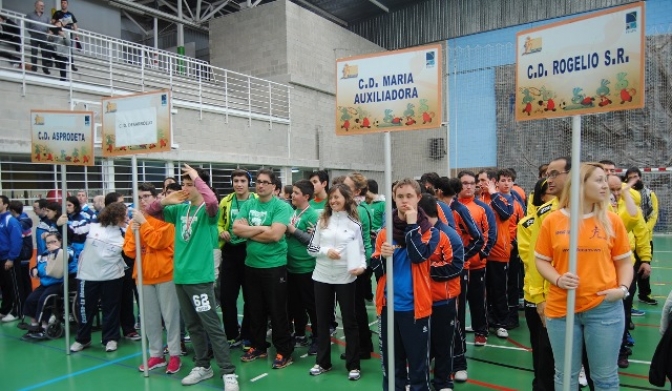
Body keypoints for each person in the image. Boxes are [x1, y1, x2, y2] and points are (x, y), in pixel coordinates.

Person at [535, 163, 633, 390]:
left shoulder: (611, 220)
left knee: (605, 379)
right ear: (580, 183)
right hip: (562, 310)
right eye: (598, 180)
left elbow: (625, 262)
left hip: (604, 308)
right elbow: (541, 260)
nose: (605, 185)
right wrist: (558, 279)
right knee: (564, 377)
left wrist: (623, 290)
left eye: (605, 180)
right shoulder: (553, 220)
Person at [146, 164, 239, 390]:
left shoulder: (208, 212)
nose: (186, 188)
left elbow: (213, 202)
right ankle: (202, 366)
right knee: (192, 326)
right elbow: (151, 210)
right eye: (185, 184)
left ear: (201, 186)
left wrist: (198, 177)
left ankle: (228, 371)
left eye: (191, 184)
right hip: (181, 277)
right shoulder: (179, 210)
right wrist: (167, 200)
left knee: (211, 325)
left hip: (200, 278)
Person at [371, 178, 438, 391]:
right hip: (389, 309)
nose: (404, 201)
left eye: (409, 196)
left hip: (415, 310)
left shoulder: (429, 232)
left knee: (418, 369)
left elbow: (419, 256)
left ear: (418, 198)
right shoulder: (384, 233)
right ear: (393, 198)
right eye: (400, 196)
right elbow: (377, 272)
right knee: (392, 367)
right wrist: (381, 257)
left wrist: (411, 225)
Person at [233, 169, 294, 369]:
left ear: (274, 187)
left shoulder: (281, 207)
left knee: (277, 311)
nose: (260, 185)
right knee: (255, 309)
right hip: (251, 266)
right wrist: (263, 229)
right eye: (258, 181)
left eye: (265, 182)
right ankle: (258, 347)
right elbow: (236, 229)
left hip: (274, 267)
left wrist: (249, 232)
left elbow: (275, 235)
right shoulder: (249, 203)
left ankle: (284, 351)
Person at [307, 183, 366, 380]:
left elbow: (360, 252)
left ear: (347, 199)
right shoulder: (322, 220)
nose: (333, 201)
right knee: (322, 321)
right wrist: (326, 252)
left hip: (345, 278)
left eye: (337, 197)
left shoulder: (354, 225)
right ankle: (322, 363)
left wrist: (362, 267)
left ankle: (353, 365)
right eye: (331, 198)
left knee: (350, 321)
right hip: (321, 277)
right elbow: (312, 249)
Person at [123, 182, 181, 374]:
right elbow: (129, 251)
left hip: (165, 274)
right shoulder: (133, 223)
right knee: (149, 319)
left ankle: (174, 354)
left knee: (171, 317)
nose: (143, 200)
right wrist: (138, 228)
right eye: (139, 197)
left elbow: (159, 241)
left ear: (155, 198)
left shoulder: (167, 217)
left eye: (146, 196)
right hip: (142, 276)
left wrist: (145, 226)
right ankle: (156, 354)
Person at [417, 194, 464, 391]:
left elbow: (456, 266)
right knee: (422, 344)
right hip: (421, 300)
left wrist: (426, 270)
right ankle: (421, 380)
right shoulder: (417, 233)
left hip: (443, 300)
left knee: (444, 343)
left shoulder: (449, 235)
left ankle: (443, 381)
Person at [71, 202, 128, 353]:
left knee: (111, 308)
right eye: (124, 215)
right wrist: (61, 223)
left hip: (112, 276)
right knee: (85, 308)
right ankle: (83, 339)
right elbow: (72, 233)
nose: (126, 218)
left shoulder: (125, 232)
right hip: (87, 275)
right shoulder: (92, 226)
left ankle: (110, 339)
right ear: (115, 216)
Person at [217, 169, 256, 350]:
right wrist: (221, 231)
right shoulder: (226, 201)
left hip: (250, 251)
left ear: (249, 183)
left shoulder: (255, 200)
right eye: (235, 181)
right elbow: (217, 222)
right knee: (226, 296)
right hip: (230, 252)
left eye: (242, 180)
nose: (239, 184)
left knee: (251, 296)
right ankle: (232, 334)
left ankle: (248, 334)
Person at [285, 180, 319, 355]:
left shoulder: (312, 215)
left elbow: (312, 241)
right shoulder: (294, 212)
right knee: (294, 303)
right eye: (293, 192)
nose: (292, 195)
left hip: (306, 267)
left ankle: (318, 337)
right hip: (291, 266)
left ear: (306, 196)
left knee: (311, 304)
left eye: (296, 193)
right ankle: (299, 334)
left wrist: (292, 230)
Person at [21, 232, 74, 340]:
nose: (50, 244)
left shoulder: (67, 251)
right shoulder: (44, 254)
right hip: (45, 283)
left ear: (60, 241)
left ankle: (45, 327)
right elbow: (38, 267)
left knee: (44, 299)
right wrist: (34, 270)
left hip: (59, 283)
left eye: (53, 241)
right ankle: (34, 325)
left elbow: (58, 266)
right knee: (31, 299)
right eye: (48, 242)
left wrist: (57, 251)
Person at [624, 167, 659, 306]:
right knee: (630, 268)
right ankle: (628, 299)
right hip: (630, 238)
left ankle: (645, 294)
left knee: (645, 267)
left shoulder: (650, 194)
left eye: (636, 176)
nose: (634, 179)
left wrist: (645, 230)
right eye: (631, 177)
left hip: (645, 238)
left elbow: (653, 214)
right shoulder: (623, 194)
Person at [7, 201, 34, 323]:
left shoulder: (18, 223)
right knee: (24, 282)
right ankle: (27, 306)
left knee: (21, 284)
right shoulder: (23, 220)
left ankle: (20, 309)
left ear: (11, 211)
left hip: (22, 256)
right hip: (24, 255)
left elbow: (18, 240)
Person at [0, 195, 22, 322]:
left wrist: (11, 258)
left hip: (9, 259)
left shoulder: (11, 220)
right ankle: (5, 310)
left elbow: (16, 241)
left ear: (5, 205)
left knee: (14, 286)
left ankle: (17, 312)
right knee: (4, 286)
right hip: (0, 258)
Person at [26, 0, 53, 75]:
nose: (42, 7)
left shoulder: (47, 17)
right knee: (34, 52)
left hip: (43, 36)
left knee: (44, 52)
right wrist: (32, 32)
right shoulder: (30, 15)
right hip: (34, 35)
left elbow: (48, 27)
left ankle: (45, 69)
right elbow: (27, 25)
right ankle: (34, 68)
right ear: (36, 6)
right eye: (41, 5)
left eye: (43, 6)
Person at [51, 0, 78, 71]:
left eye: (64, 3)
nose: (63, 4)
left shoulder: (70, 14)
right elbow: (52, 22)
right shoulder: (57, 13)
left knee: (69, 49)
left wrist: (77, 35)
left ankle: (72, 64)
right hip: (59, 33)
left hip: (68, 34)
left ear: (67, 4)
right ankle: (57, 62)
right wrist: (59, 22)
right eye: (62, 3)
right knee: (57, 47)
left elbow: (75, 25)